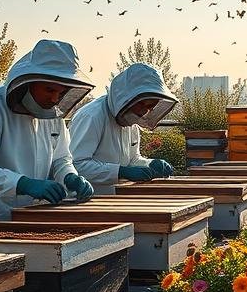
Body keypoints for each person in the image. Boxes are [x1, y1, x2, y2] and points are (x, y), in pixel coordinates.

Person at [0, 39, 96, 221]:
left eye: (61, 93)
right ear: (29, 82)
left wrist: (69, 176)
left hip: (30, 215)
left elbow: (60, 158)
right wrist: (22, 183)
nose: (54, 98)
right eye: (49, 89)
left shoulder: (53, 114)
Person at [69, 62, 179, 194]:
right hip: (84, 203)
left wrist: (149, 164)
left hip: (115, 200)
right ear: (128, 97)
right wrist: (120, 172)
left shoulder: (131, 122)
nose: (145, 112)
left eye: (151, 107)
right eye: (143, 104)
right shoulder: (91, 116)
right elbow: (77, 165)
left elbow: (132, 159)